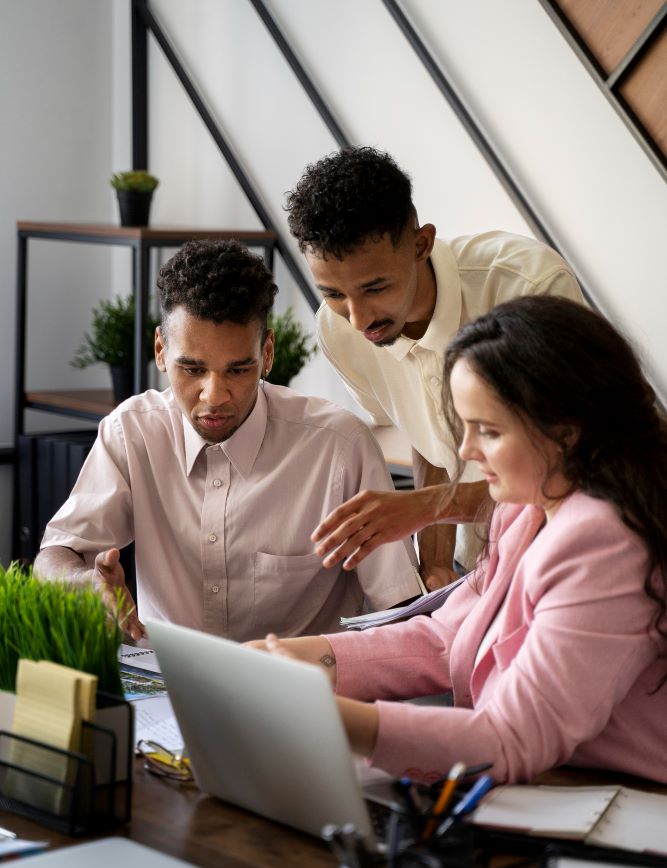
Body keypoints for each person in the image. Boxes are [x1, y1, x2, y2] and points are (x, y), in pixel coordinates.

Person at [250, 296, 667, 786]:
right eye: (465, 428)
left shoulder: (603, 540)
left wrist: (319, 713)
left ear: (566, 432)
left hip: (623, 798)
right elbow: (449, 637)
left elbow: (512, 738)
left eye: (487, 431)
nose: (466, 451)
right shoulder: (527, 504)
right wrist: (305, 658)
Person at [34, 240, 420, 643]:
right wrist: (82, 582)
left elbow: (399, 612)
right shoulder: (130, 432)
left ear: (267, 354)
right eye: (192, 369)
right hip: (165, 677)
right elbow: (57, 553)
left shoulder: (341, 447)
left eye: (237, 370)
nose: (214, 396)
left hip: (308, 679)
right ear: (161, 351)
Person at [285, 146, 585, 588]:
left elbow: (576, 464)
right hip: (480, 564)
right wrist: (434, 564)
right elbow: (427, 435)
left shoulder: (527, 286)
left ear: (421, 244)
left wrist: (427, 507)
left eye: (375, 288)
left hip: (578, 551)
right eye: (333, 293)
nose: (359, 318)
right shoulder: (338, 330)